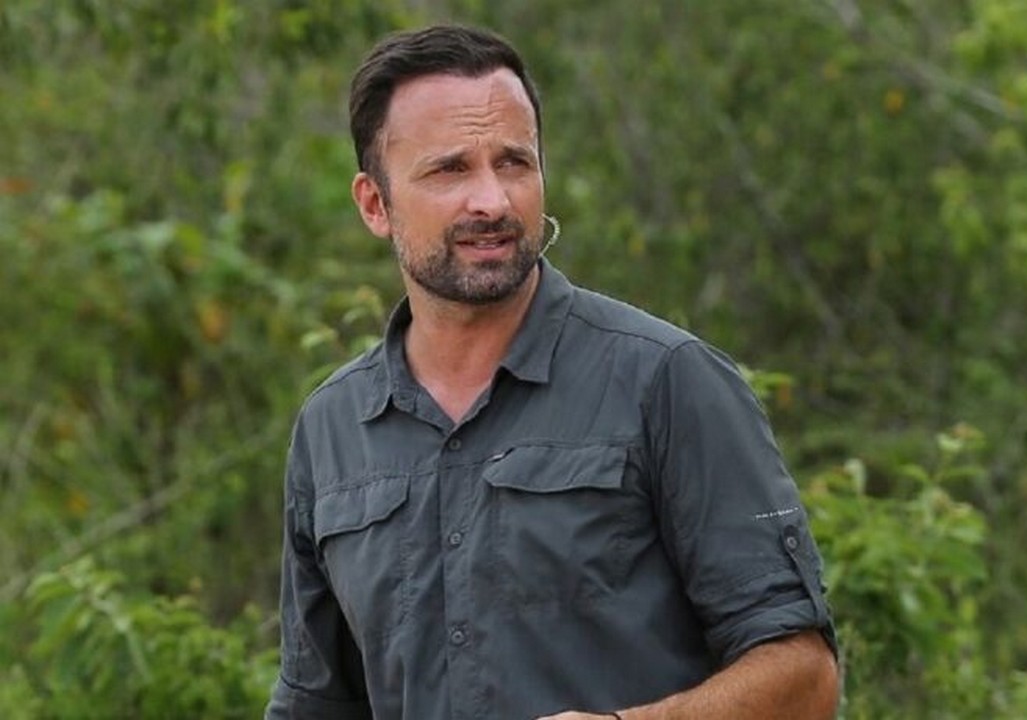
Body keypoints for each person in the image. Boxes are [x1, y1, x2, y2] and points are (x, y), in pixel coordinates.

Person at [266, 24, 838, 720]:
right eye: (450, 170)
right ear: (374, 204)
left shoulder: (668, 382)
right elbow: (315, 704)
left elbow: (805, 677)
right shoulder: (332, 428)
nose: (493, 201)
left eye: (514, 163)